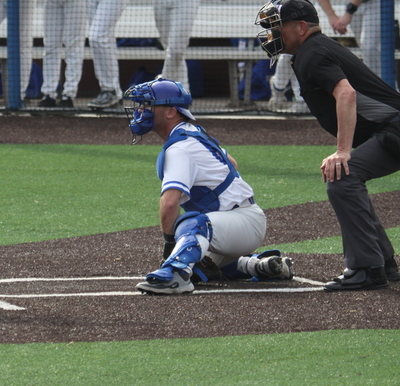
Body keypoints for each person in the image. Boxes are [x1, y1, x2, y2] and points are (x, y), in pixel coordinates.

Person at [255, 0, 400, 291]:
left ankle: (367, 268)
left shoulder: (312, 53)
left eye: (278, 27)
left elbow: (347, 94)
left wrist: (343, 152)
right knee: (346, 179)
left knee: (343, 178)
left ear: (301, 27)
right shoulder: (313, 49)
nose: (272, 34)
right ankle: (381, 260)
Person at [123, 79, 294, 295]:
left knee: (191, 225)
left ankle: (176, 277)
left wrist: (169, 246)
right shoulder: (192, 132)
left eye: (147, 105)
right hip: (234, 224)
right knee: (199, 266)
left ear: (170, 112)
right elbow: (232, 163)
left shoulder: (180, 147)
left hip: (239, 223)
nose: (140, 111)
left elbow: (169, 204)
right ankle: (257, 266)